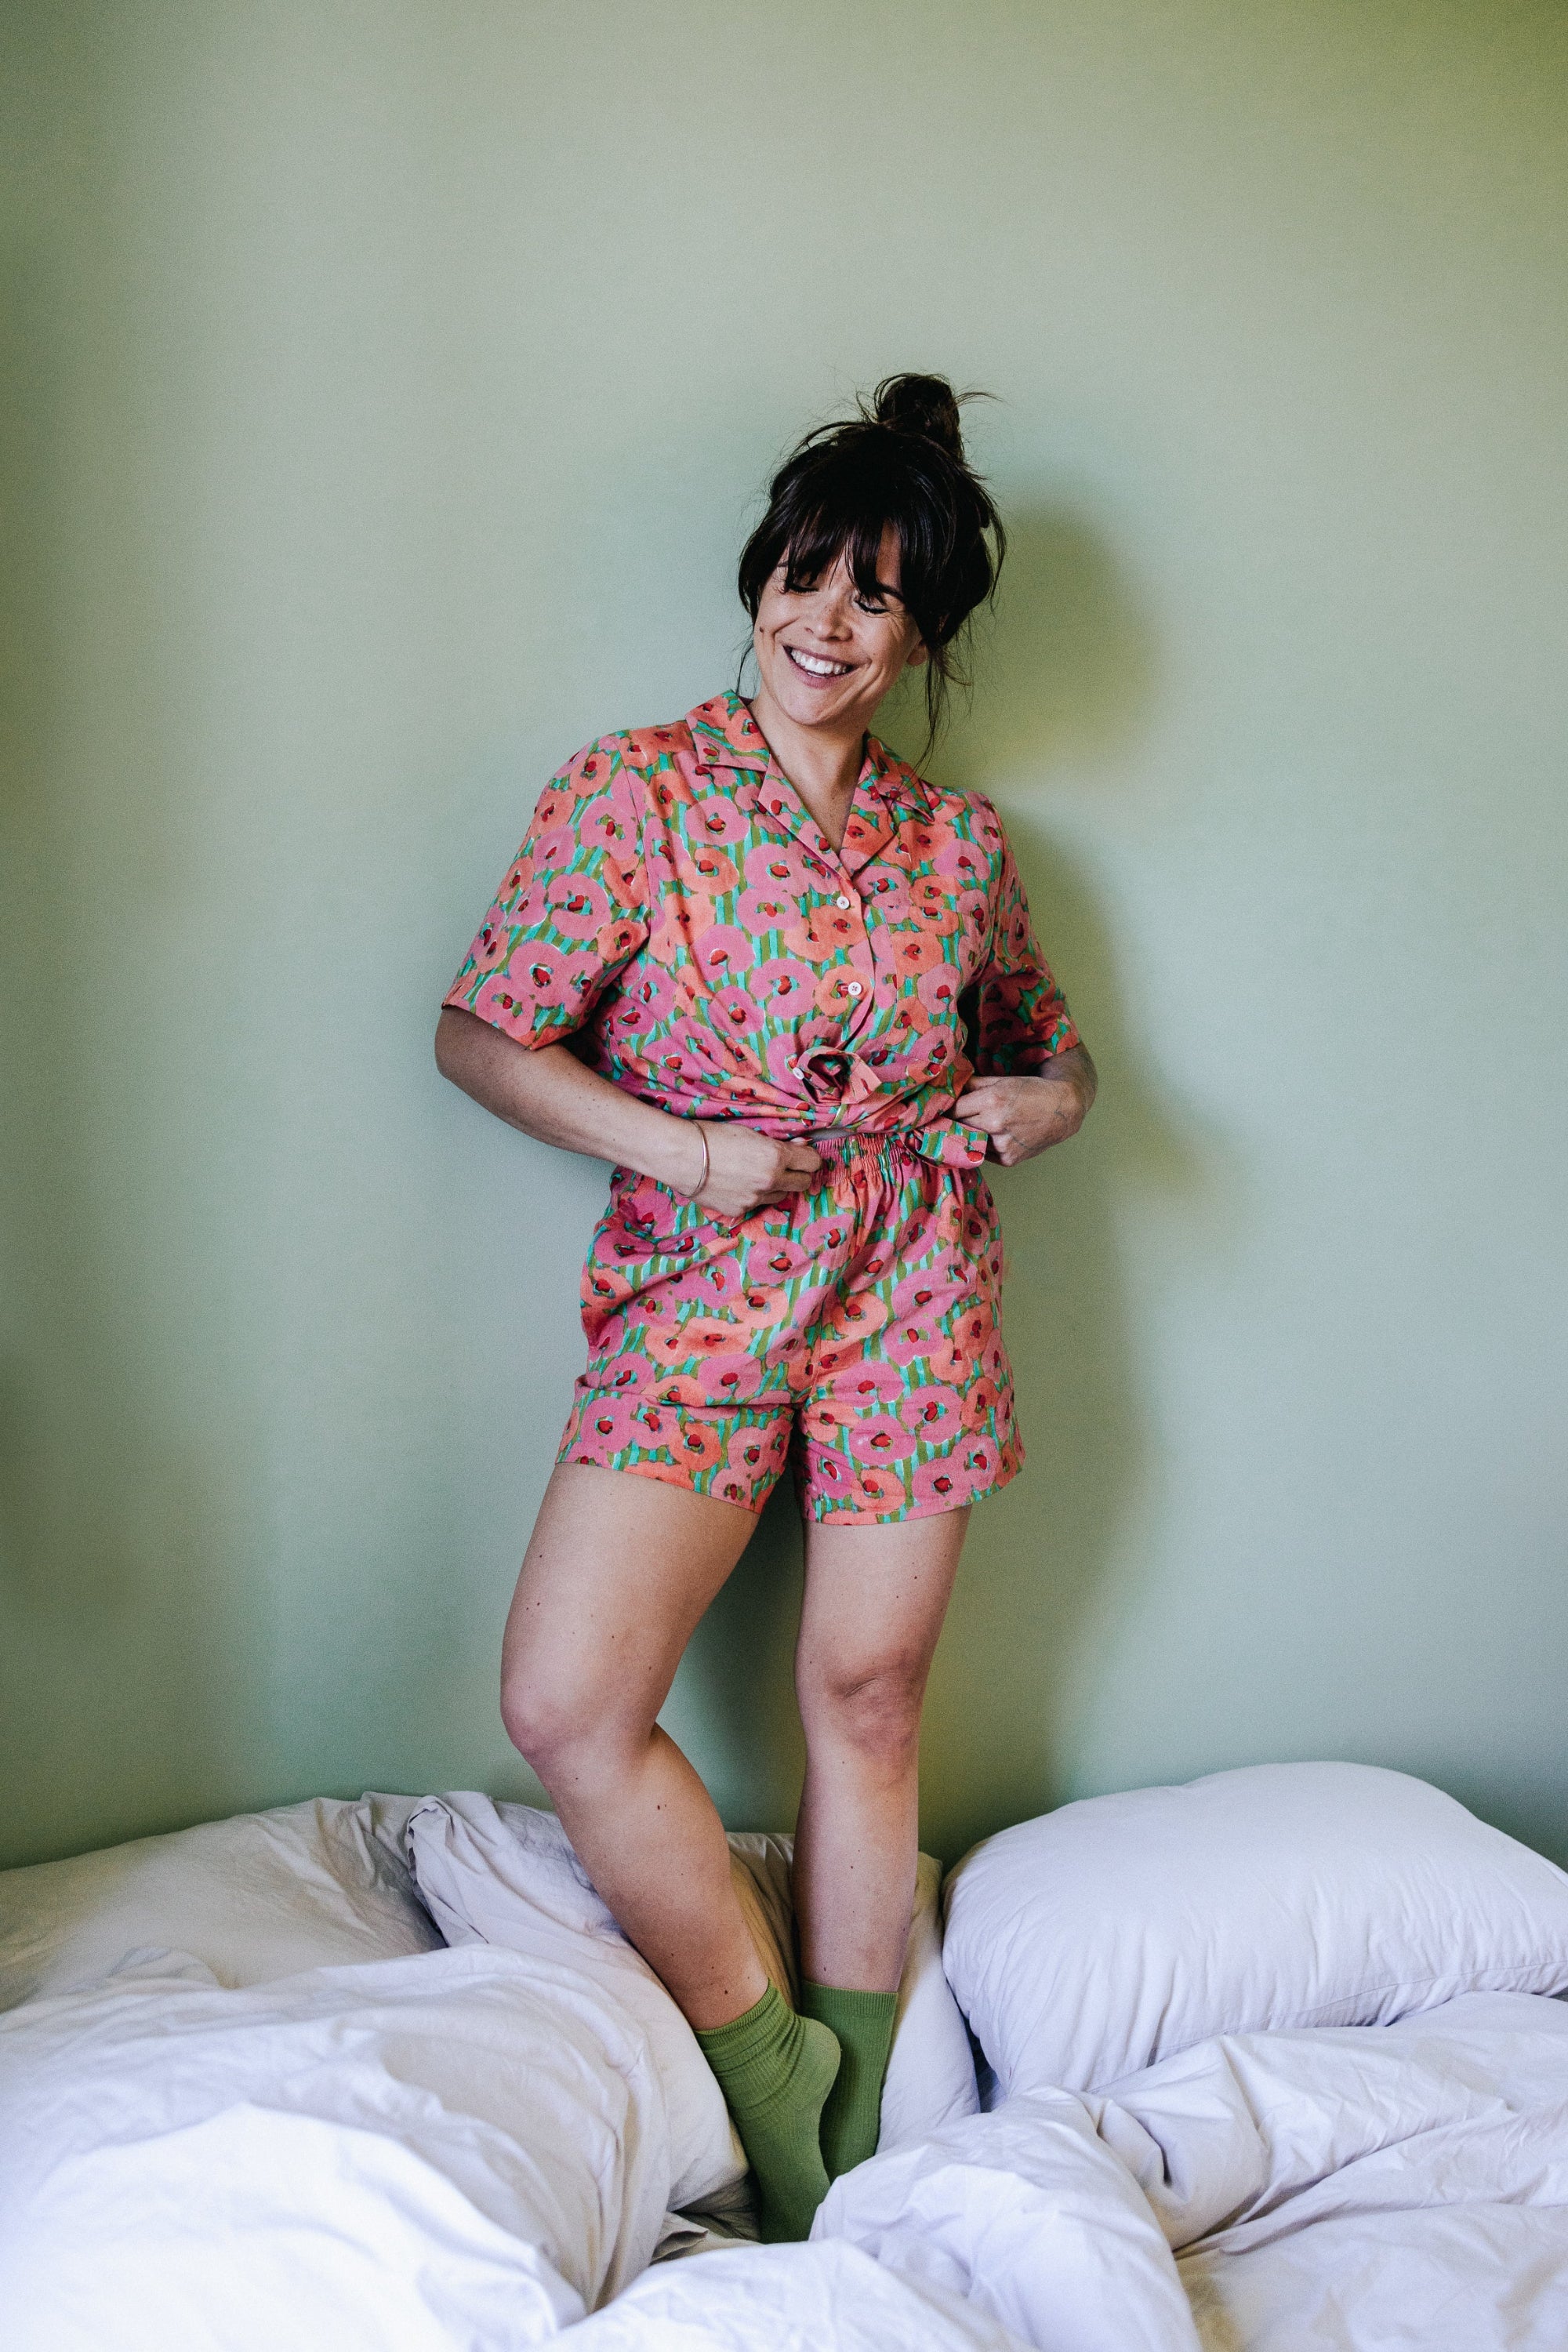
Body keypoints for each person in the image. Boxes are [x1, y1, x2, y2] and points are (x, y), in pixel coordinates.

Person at [435, 373, 1096, 2240]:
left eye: (876, 597)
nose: (827, 621)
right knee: (570, 1700)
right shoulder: (632, 791)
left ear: (921, 636)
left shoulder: (959, 846)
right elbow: (483, 1033)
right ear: (760, 579)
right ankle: (768, 2065)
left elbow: (1050, 1049)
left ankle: (849, 2153)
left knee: (868, 1696)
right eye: (807, 575)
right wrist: (684, 1150)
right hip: (705, 1278)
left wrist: (1046, 1106)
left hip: (916, 1280)